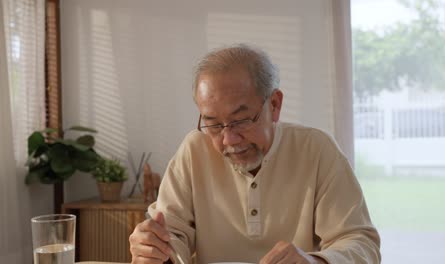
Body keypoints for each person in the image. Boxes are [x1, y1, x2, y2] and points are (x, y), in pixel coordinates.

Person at [129, 44, 381, 264]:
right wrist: (155, 249)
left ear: (274, 105)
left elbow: (361, 243)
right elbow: (172, 232)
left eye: (241, 120)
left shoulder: (317, 149)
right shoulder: (194, 150)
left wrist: (315, 261)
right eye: (213, 124)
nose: (228, 139)